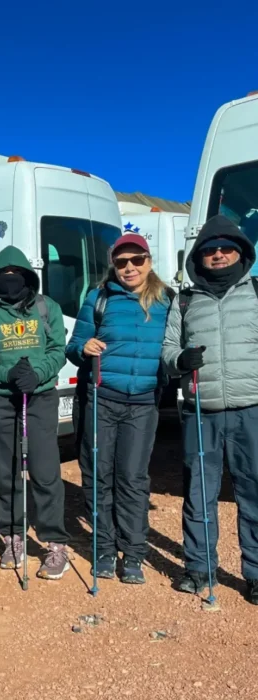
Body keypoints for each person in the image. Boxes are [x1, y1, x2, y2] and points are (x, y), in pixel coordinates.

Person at [66, 233, 174, 584]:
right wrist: (85, 347)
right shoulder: (98, 298)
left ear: (149, 261)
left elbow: (175, 348)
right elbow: (74, 346)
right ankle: (104, 549)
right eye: (121, 262)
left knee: (132, 478)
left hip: (143, 402)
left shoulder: (167, 301)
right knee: (98, 475)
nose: (129, 268)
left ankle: (134, 553)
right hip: (101, 396)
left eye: (136, 260)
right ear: (113, 264)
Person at [162, 215, 258, 603]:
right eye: (209, 250)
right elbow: (167, 349)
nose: (217, 255)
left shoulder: (256, 293)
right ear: (198, 258)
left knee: (253, 493)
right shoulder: (184, 301)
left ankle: (254, 573)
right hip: (202, 411)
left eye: (225, 248)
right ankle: (198, 569)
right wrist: (180, 360)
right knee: (199, 493)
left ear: (241, 252)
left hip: (251, 409)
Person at [0, 246, 69, 579]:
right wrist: (7, 375)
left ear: (29, 277)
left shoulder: (46, 308)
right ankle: (13, 537)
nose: (10, 282)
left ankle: (55, 543)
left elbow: (58, 349)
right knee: (3, 473)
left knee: (44, 471)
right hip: (0, 401)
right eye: (3, 277)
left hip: (39, 398)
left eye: (17, 276)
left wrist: (36, 374)